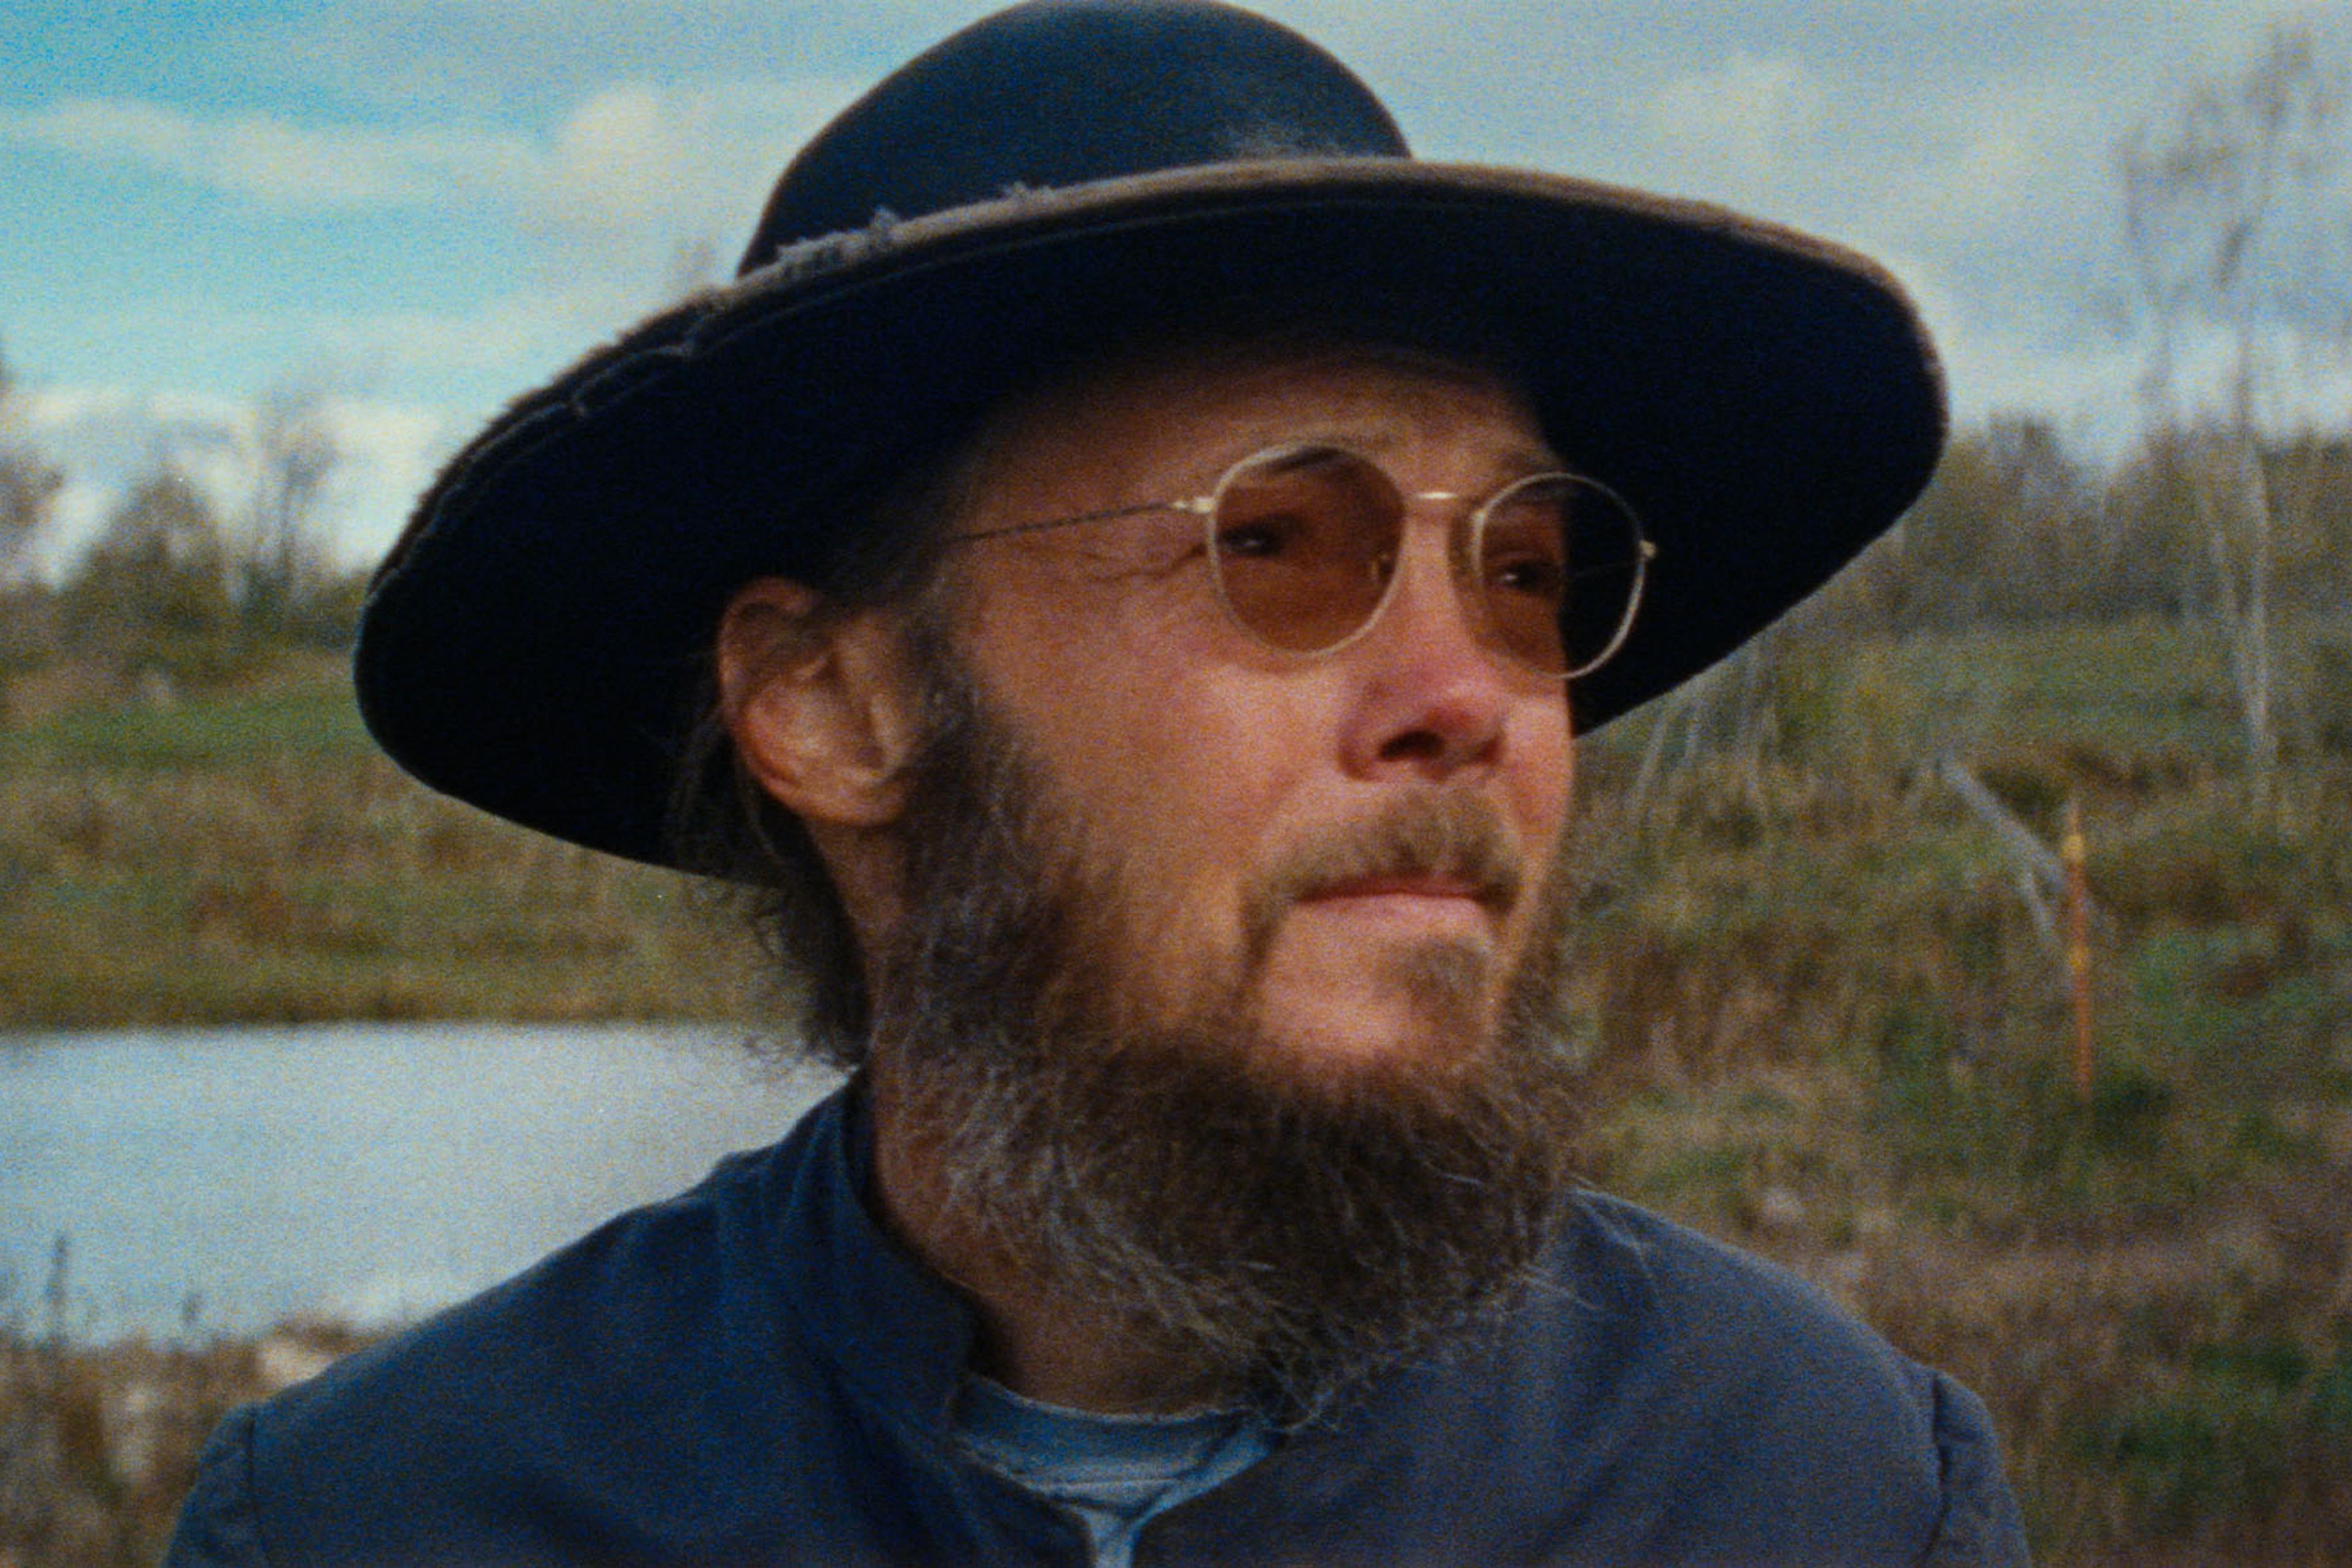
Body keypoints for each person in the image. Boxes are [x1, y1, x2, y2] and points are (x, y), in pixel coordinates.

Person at [167, 2, 2029, 1563]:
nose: (1473, 696)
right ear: (831, 706)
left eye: (1527, 570)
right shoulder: (387, 1520)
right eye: (1284, 542)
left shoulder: (1824, 1492)